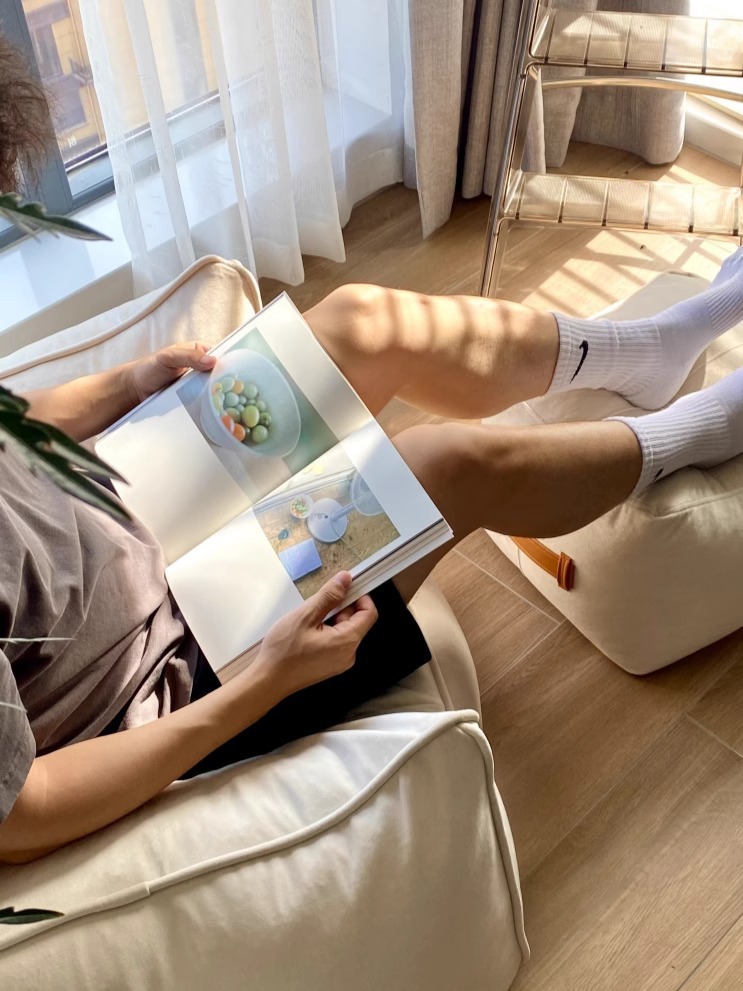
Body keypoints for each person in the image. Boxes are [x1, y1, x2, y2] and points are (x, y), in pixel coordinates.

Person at [2, 37, 743, 863]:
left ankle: (650, 348)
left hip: (140, 489)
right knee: (442, 466)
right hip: (189, 658)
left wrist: (124, 384)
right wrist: (265, 683)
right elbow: (20, 815)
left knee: (361, 322)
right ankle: (702, 433)